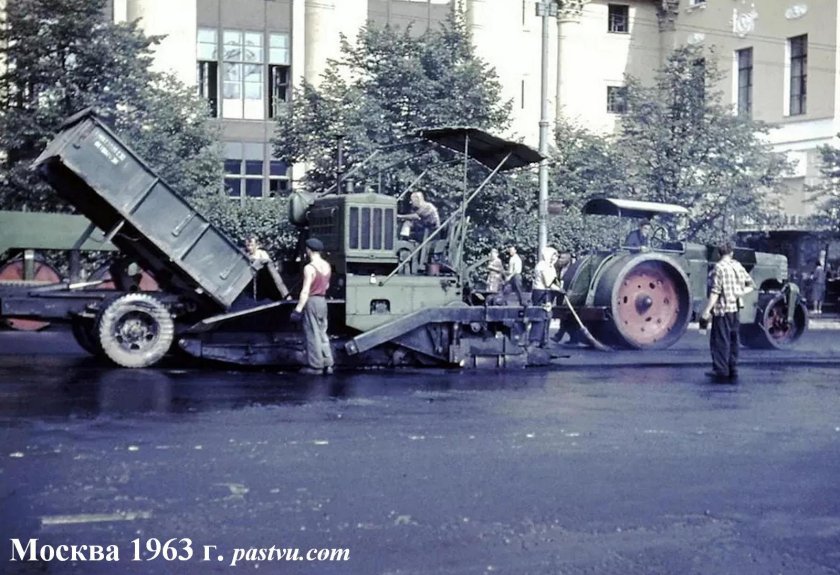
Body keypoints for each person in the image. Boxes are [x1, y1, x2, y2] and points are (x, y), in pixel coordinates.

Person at [700, 242, 756, 381]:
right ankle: (733, 368)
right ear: (731, 253)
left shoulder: (719, 267)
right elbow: (751, 285)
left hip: (722, 309)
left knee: (720, 341)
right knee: (733, 339)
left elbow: (715, 292)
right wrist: (739, 293)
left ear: (719, 254)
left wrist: (707, 311)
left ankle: (721, 370)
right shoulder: (737, 265)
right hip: (735, 309)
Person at [290, 238, 335, 375]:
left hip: (312, 301)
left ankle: (315, 367)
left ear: (308, 250)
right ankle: (328, 363)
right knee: (322, 332)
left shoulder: (309, 268)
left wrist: (298, 309)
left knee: (312, 333)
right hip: (323, 301)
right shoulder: (327, 266)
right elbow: (326, 286)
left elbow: (305, 291)